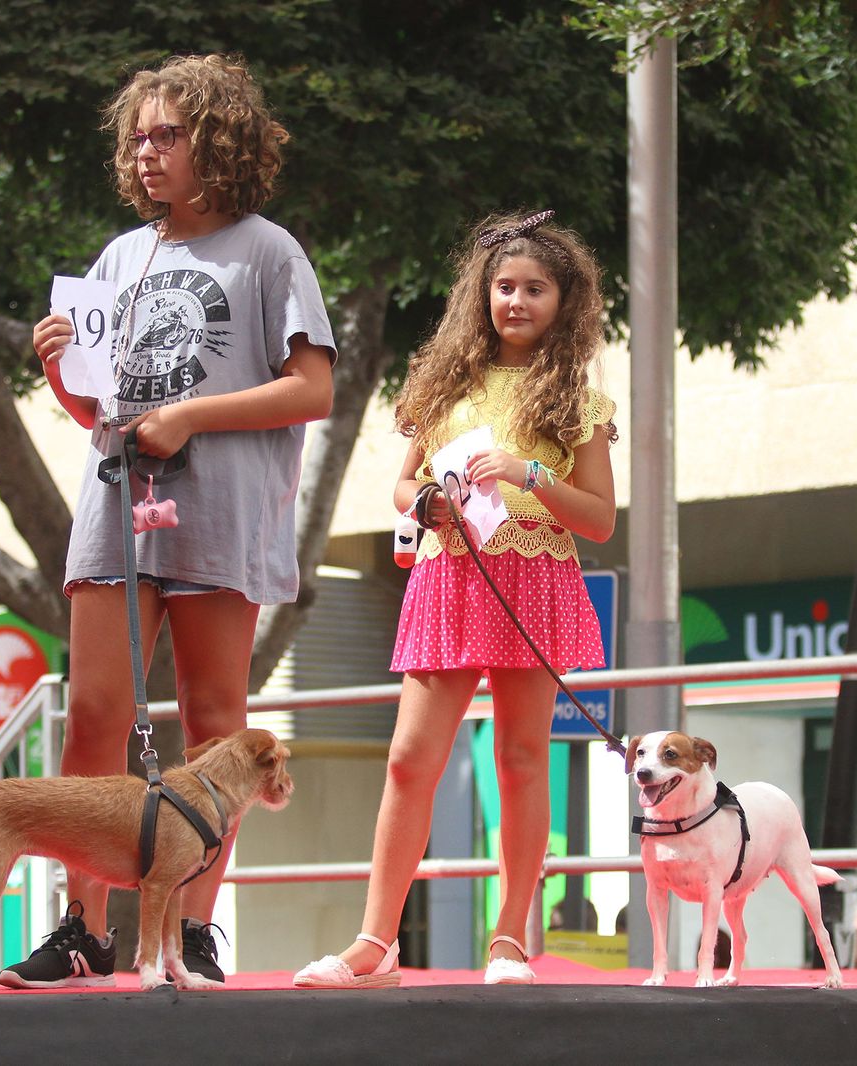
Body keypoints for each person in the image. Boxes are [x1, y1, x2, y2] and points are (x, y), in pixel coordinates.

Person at [3, 53, 336, 989]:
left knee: (215, 724)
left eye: (169, 136)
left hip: (222, 510)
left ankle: (190, 931)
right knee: (94, 717)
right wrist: (59, 372)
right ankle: (82, 929)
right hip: (120, 506)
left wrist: (190, 416)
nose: (148, 154)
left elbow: (313, 388)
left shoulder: (270, 250)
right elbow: (106, 412)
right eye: (138, 137)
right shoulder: (123, 256)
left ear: (217, 139)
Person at [294, 210, 616, 988]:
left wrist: (528, 474)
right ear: (482, 292)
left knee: (521, 760)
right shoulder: (442, 379)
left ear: (564, 301)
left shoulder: (577, 396)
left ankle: (509, 939)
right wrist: (427, 502)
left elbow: (600, 519)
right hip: (450, 571)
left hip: (535, 577)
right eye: (504, 286)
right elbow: (402, 484)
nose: (516, 301)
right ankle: (376, 942)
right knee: (408, 760)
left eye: (535, 289)